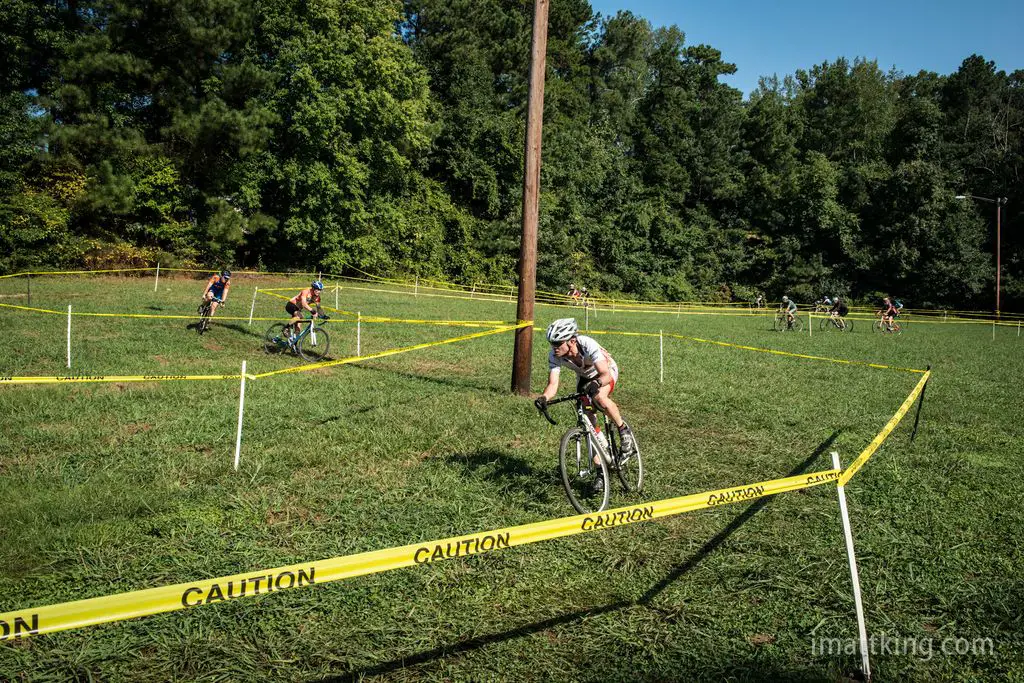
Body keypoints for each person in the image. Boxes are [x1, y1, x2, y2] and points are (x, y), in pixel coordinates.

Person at [534, 318, 636, 492]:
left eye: (558, 343)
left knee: (600, 398)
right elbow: (553, 384)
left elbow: (605, 374)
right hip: (584, 377)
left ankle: (624, 432)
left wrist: (597, 384)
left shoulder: (587, 344)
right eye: (552, 343)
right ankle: (601, 472)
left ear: (572, 341)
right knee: (588, 423)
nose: (554, 347)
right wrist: (544, 397)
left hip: (605, 372)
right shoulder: (554, 355)